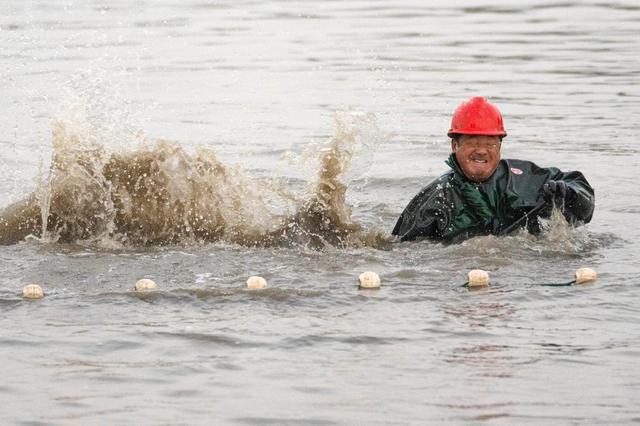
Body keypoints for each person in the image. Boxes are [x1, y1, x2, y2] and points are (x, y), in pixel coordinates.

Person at [392, 96, 595, 243]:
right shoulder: (433, 200)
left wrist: (571, 194)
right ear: (455, 146)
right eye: (473, 142)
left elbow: (584, 206)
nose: (482, 151)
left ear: (500, 146)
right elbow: (403, 250)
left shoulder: (524, 178)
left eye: (490, 144)